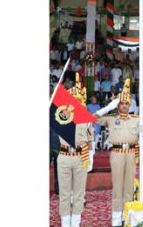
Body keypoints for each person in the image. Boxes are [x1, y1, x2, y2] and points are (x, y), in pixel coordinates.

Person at [93, 79, 143, 227]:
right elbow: (93, 118)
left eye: (126, 104)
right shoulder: (111, 118)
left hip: (131, 153)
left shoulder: (136, 120)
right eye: (121, 103)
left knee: (129, 186)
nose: (124, 106)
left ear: (130, 105)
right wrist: (107, 107)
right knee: (117, 186)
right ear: (118, 105)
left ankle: (128, 216)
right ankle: (117, 218)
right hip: (117, 153)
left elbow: (141, 135)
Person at [57, 74, 94, 227]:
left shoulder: (86, 119)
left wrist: (90, 156)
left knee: (79, 194)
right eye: (74, 99)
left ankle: (76, 222)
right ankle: (65, 223)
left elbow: (90, 141)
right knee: (64, 194)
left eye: (79, 100)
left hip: (81, 157)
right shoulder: (62, 115)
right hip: (64, 156)